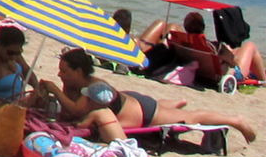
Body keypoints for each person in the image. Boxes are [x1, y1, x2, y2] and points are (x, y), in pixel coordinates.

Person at [38, 48, 256, 143]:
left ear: (78, 71)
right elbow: (71, 110)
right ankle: (175, 103)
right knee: (167, 109)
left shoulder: (95, 89)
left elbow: (76, 110)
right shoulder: (77, 84)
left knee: (191, 117)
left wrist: (54, 89)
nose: (59, 74)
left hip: (143, 112)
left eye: (64, 71)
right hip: (129, 102)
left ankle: (236, 121)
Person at [140, 10, 266, 87]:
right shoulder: (211, 47)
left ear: (186, 26)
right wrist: (228, 55)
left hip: (201, 71)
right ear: (203, 27)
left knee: (235, 51)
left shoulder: (182, 42)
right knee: (250, 46)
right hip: (220, 75)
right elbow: (233, 63)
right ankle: (264, 80)